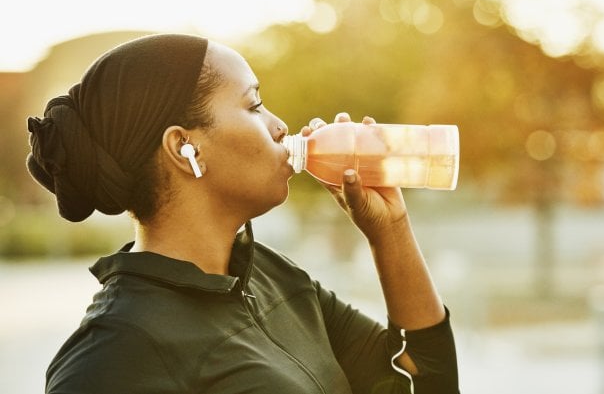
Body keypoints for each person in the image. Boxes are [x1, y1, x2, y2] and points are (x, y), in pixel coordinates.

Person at [26, 33, 459, 393]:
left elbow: (423, 382)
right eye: (254, 105)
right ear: (184, 147)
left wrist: (390, 230)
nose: (280, 126)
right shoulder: (114, 351)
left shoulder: (275, 279)